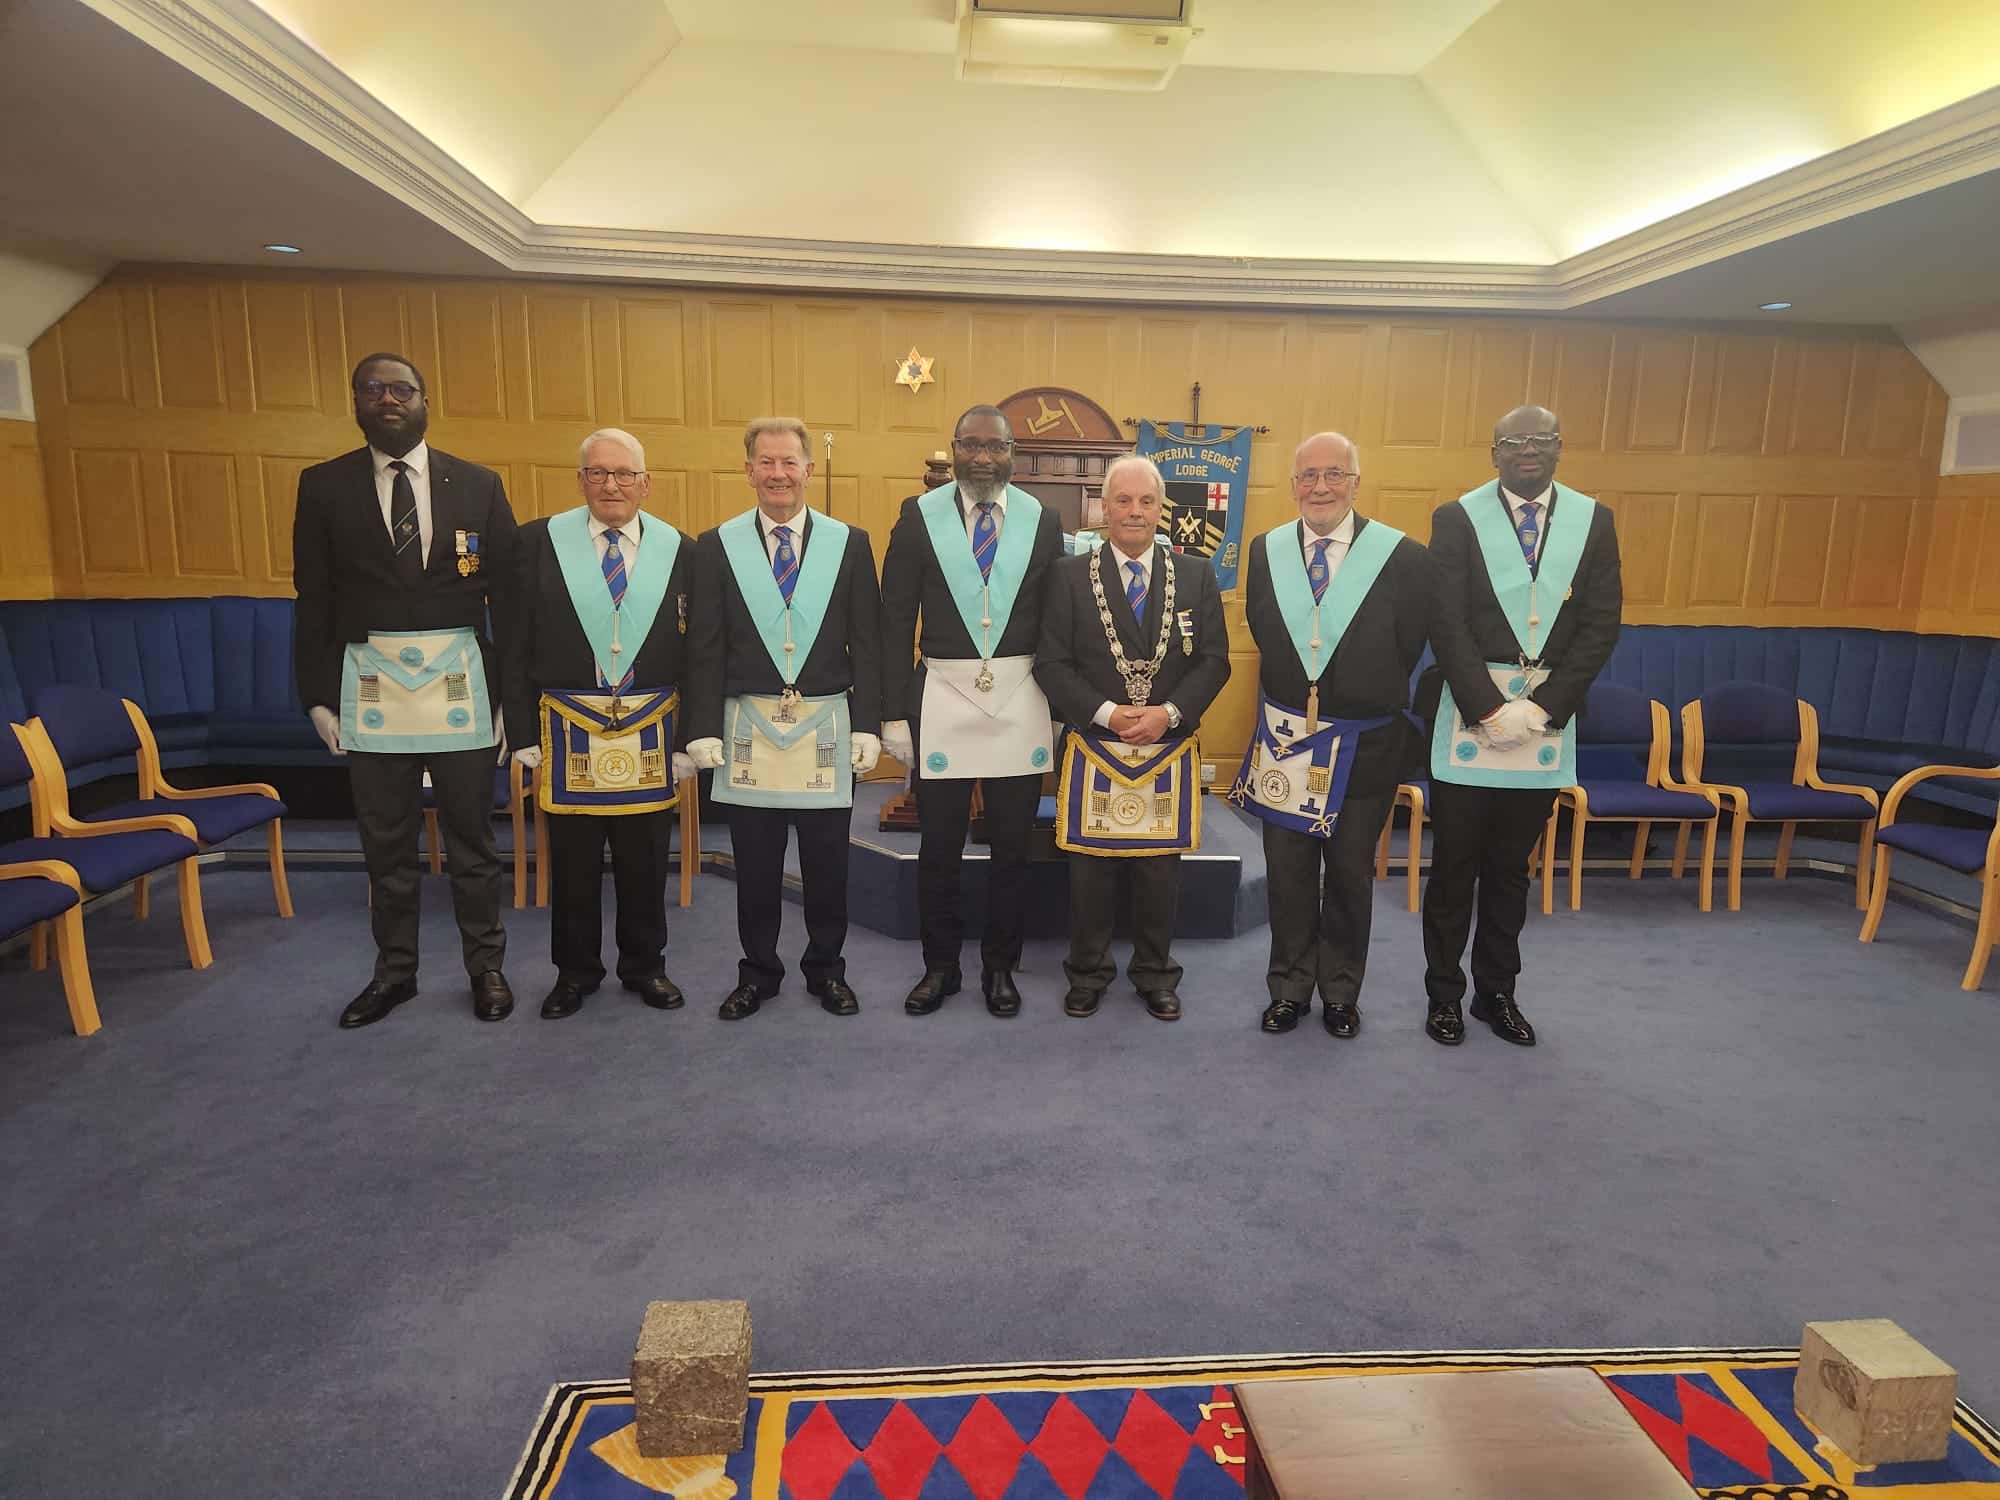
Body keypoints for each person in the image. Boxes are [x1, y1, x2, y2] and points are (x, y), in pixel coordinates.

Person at [293, 352, 518, 1028]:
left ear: (424, 400)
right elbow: (314, 599)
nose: (387, 399)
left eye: (401, 389)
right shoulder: (323, 486)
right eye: (372, 389)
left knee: (473, 844)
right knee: (386, 845)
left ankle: (487, 969)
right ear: (356, 402)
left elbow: (509, 600)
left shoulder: (478, 484)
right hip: (371, 694)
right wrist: (317, 697)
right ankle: (394, 973)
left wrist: (507, 701)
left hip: (462, 690)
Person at [1420, 404, 1622, 1047]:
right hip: (1470, 713)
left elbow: (1601, 623)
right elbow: (1444, 620)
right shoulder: (1457, 518)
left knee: (1512, 869)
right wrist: (1487, 706)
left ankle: (1496, 993)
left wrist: (1543, 707)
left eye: (1540, 439)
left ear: (1560, 447)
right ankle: (1444, 995)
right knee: (1453, 868)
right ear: (1494, 453)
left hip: (1544, 720)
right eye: (1513, 441)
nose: (1527, 450)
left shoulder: (1593, 520)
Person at [1234, 431, 1432, 1038]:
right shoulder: (1267, 550)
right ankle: (1290, 987)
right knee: (1287, 872)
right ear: (1293, 485)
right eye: (1308, 476)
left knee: (1349, 874)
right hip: (1288, 741)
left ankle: (1341, 991)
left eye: (1334, 474)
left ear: (1355, 481)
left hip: (1365, 744)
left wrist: (1356, 688)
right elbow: (1265, 628)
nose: (1320, 487)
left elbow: (1409, 644)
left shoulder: (1402, 557)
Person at [685, 418, 883, 1019]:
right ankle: (759, 973)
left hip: (825, 725)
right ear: (748, 471)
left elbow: (868, 642)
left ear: (808, 470)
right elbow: (703, 646)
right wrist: (700, 727)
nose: (778, 474)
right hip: (748, 727)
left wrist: (870, 724)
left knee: (828, 865)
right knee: (756, 867)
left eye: (789, 462)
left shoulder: (849, 543)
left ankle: (827, 970)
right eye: (766, 463)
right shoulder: (717, 546)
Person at [879, 404, 1065, 1018]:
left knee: (1012, 850)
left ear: (1013, 454)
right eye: (972, 445)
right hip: (942, 698)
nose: (983, 458)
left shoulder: (1042, 520)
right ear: (954, 448)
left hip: (1021, 698)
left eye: (996, 447)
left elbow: (1056, 620)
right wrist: (894, 713)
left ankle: (1000, 968)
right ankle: (940, 967)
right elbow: (894, 619)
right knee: (939, 849)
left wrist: (1057, 705)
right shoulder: (918, 517)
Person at [505, 428, 695, 1020]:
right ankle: (575, 972)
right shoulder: (537, 543)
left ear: (646, 483)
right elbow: (513, 643)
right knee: (573, 863)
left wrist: (692, 737)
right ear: (581, 480)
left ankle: (646, 966)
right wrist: (522, 733)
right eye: (598, 473)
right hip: (567, 730)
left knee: (646, 860)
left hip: (650, 726)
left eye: (624, 474)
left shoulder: (681, 550)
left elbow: (699, 651)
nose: (612, 485)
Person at [1034, 454, 1229, 1021]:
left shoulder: (1195, 575)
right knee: (1089, 873)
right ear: (1104, 508)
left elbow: (1214, 661)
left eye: (1146, 501)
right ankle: (1088, 972)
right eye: (1123, 500)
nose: (1135, 511)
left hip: (1166, 746)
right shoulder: (1068, 576)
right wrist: (1106, 713)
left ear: (1160, 508)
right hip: (1095, 744)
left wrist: (1168, 713)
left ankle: (1155, 973)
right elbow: (1051, 663)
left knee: (1158, 872)